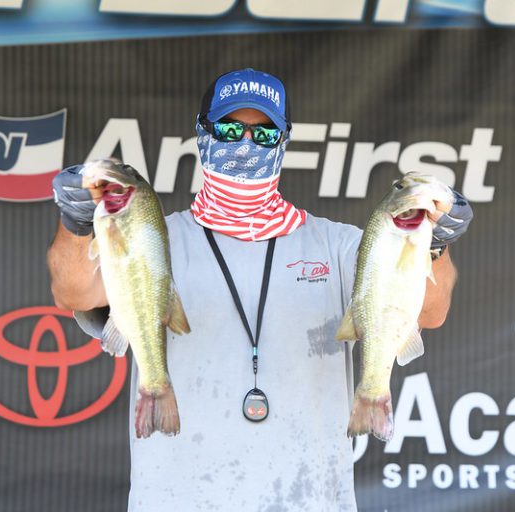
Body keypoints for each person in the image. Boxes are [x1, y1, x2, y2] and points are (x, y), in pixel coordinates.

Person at [47, 68, 472, 511]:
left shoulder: (345, 243)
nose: (245, 143)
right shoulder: (150, 238)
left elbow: (430, 313)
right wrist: (78, 224)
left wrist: (435, 244)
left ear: (283, 142)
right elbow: (73, 292)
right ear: (202, 133)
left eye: (264, 133)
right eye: (230, 129)